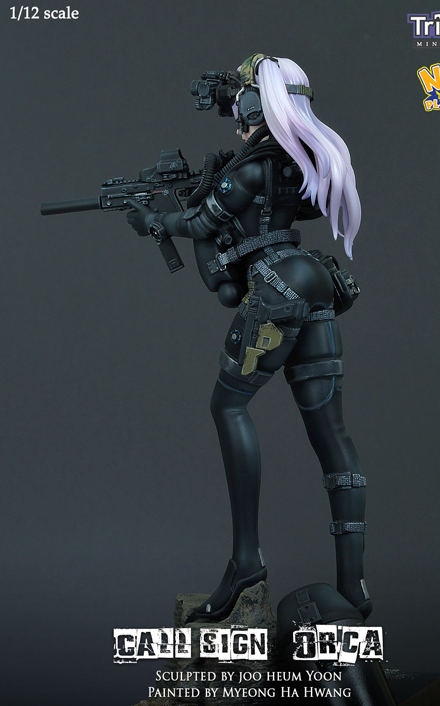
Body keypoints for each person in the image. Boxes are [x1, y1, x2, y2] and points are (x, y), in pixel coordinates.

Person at [127, 54, 371, 622]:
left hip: (278, 287)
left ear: (258, 104)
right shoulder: (293, 164)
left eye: (240, 102)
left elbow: (199, 224)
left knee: (228, 406)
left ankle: (245, 563)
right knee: (332, 436)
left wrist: (154, 222)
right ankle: (355, 592)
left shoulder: (253, 168)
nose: (234, 113)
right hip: (311, 279)